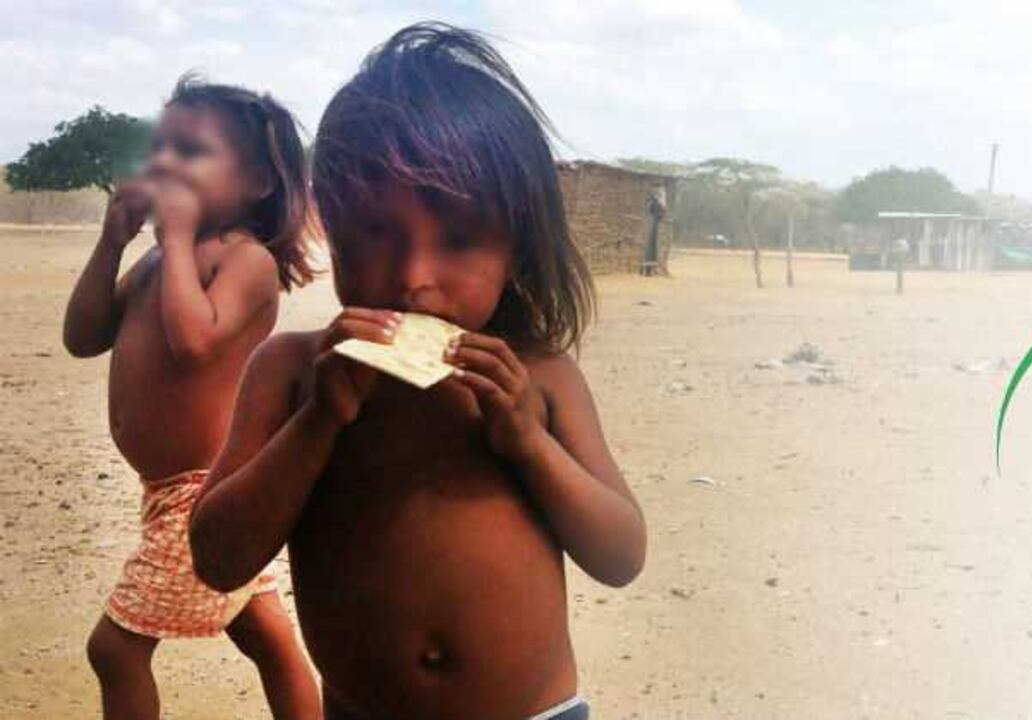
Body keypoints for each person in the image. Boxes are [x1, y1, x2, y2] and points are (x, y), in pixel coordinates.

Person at [189, 23, 647, 720]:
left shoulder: (542, 379)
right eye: (374, 232)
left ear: (515, 247)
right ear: (333, 227)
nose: (413, 279)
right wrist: (318, 422)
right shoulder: (291, 372)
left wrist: (528, 443)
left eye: (459, 240)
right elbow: (217, 558)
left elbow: (620, 554)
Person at [63, 75, 322, 720]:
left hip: (203, 492)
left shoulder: (245, 261)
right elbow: (83, 336)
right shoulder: (156, 262)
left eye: (192, 151)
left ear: (259, 181)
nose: (166, 165)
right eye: (162, 149)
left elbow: (195, 344)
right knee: (264, 635)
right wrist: (112, 242)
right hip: (170, 492)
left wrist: (175, 241)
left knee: (114, 652)